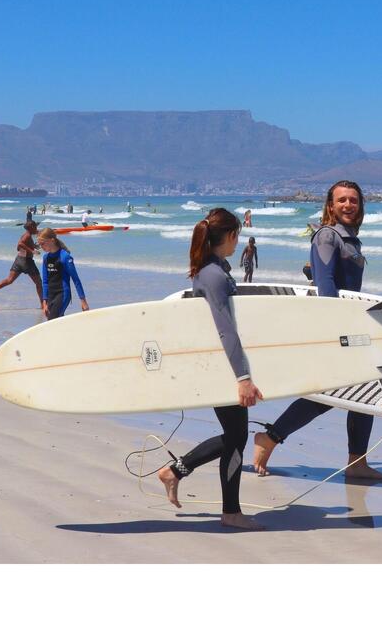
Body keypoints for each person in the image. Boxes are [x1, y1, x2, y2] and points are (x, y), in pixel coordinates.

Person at [252, 180, 382, 482]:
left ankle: (356, 462)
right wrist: (336, 333)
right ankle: (271, 437)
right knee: (333, 394)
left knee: (359, 394)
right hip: (337, 327)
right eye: (341, 200)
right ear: (330, 206)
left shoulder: (349, 239)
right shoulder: (327, 236)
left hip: (350, 325)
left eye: (353, 200)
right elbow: (327, 287)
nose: (348, 205)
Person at [157, 208, 265, 530]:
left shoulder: (210, 270)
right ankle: (229, 511)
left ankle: (176, 472)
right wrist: (243, 377)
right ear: (230, 236)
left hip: (218, 364)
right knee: (237, 436)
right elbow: (225, 329)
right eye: (237, 236)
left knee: (236, 435)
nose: (238, 242)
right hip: (223, 367)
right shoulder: (215, 276)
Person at [0, 221, 44, 308]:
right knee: (38, 282)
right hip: (27, 262)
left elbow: (18, 248)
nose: (36, 229)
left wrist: (33, 246)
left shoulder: (25, 235)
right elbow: (20, 244)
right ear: (31, 227)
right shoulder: (27, 236)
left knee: (9, 280)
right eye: (35, 227)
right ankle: (42, 304)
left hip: (19, 260)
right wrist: (32, 251)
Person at [37, 228, 89, 320]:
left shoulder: (65, 257)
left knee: (52, 321)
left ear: (52, 240)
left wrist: (83, 301)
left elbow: (76, 279)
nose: (41, 247)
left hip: (63, 294)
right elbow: (45, 281)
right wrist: (44, 301)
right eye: (40, 244)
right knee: (55, 321)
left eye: (43, 243)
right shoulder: (46, 258)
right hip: (50, 296)